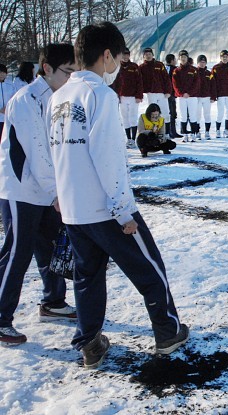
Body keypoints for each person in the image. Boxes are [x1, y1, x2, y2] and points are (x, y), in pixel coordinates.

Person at [49, 22, 188, 368]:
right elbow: (108, 157)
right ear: (107, 55)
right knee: (148, 267)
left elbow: (55, 151)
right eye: (119, 59)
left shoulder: (58, 96)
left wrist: (60, 194)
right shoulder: (100, 96)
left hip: (74, 209)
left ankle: (90, 341)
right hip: (106, 208)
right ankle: (167, 330)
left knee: (88, 276)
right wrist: (124, 210)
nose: (120, 67)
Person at [0, 43, 78, 346]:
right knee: (18, 253)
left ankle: (53, 302)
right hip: (20, 190)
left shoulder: (60, 98)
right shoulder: (26, 100)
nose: (71, 78)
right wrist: (57, 192)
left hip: (46, 190)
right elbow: (37, 151)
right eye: (67, 72)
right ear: (46, 68)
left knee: (51, 246)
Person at [111, 48, 143, 148]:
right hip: (122, 97)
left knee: (133, 117)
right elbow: (114, 82)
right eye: (123, 55)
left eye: (127, 55)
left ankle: (133, 139)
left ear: (129, 56)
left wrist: (139, 95)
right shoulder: (116, 67)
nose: (125, 57)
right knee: (125, 118)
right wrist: (116, 95)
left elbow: (139, 82)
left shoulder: (134, 66)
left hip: (133, 97)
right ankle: (128, 138)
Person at [139, 47, 174, 138]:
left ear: (152, 55)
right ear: (143, 56)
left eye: (149, 54)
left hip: (162, 93)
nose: (148, 56)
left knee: (165, 112)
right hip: (150, 93)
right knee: (153, 114)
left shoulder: (159, 65)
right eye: (146, 55)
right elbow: (139, 81)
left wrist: (168, 91)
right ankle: (155, 132)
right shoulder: (142, 67)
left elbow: (166, 78)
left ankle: (166, 133)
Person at [172, 50, 200, 142]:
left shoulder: (193, 70)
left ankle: (193, 134)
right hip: (181, 97)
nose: (183, 59)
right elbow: (175, 84)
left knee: (193, 115)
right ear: (179, 58)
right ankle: (184, 134)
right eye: (181, 57)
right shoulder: (176, 71)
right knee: (183, 115)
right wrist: (181, 93)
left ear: (187, 58)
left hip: (192, 96)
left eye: (184, 57)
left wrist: (190, 93)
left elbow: (197, 83)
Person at [211, 50, 228, 138]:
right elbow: (212, 82)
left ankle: (226, 130)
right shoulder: (216, 68)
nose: (224, 58)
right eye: (223, 57)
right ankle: (218, 130)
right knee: (220, 113)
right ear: (220, 58)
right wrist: (214, 95)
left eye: (226, 57)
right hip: (220, 94)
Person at [164, 54, 183, 139]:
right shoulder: (172, 69)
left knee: (173, 113)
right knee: (171, 113)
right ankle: (171, 131)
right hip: (170, 94)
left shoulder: (166, 68)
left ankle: (173, 131)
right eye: (175, 59)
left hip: (171, 94)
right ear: (172, 60)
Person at [196, 54, 215, 139]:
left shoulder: (209, 73)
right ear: (198, 63)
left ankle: (207, 132)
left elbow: (213, 85)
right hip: (197, 97)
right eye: (201, 62)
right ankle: (197, 131)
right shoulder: (195, 72)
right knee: (197, 115)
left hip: (207, 97)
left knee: (207, 115)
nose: (202, 64)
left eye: (204, 62)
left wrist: (213, 96)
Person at [0, 64, 16, 137]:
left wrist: (8, 107)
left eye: (3, 72)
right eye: (0, 72)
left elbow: (15, 98)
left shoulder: (10, 84)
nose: (1, 74)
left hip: (8, 118)